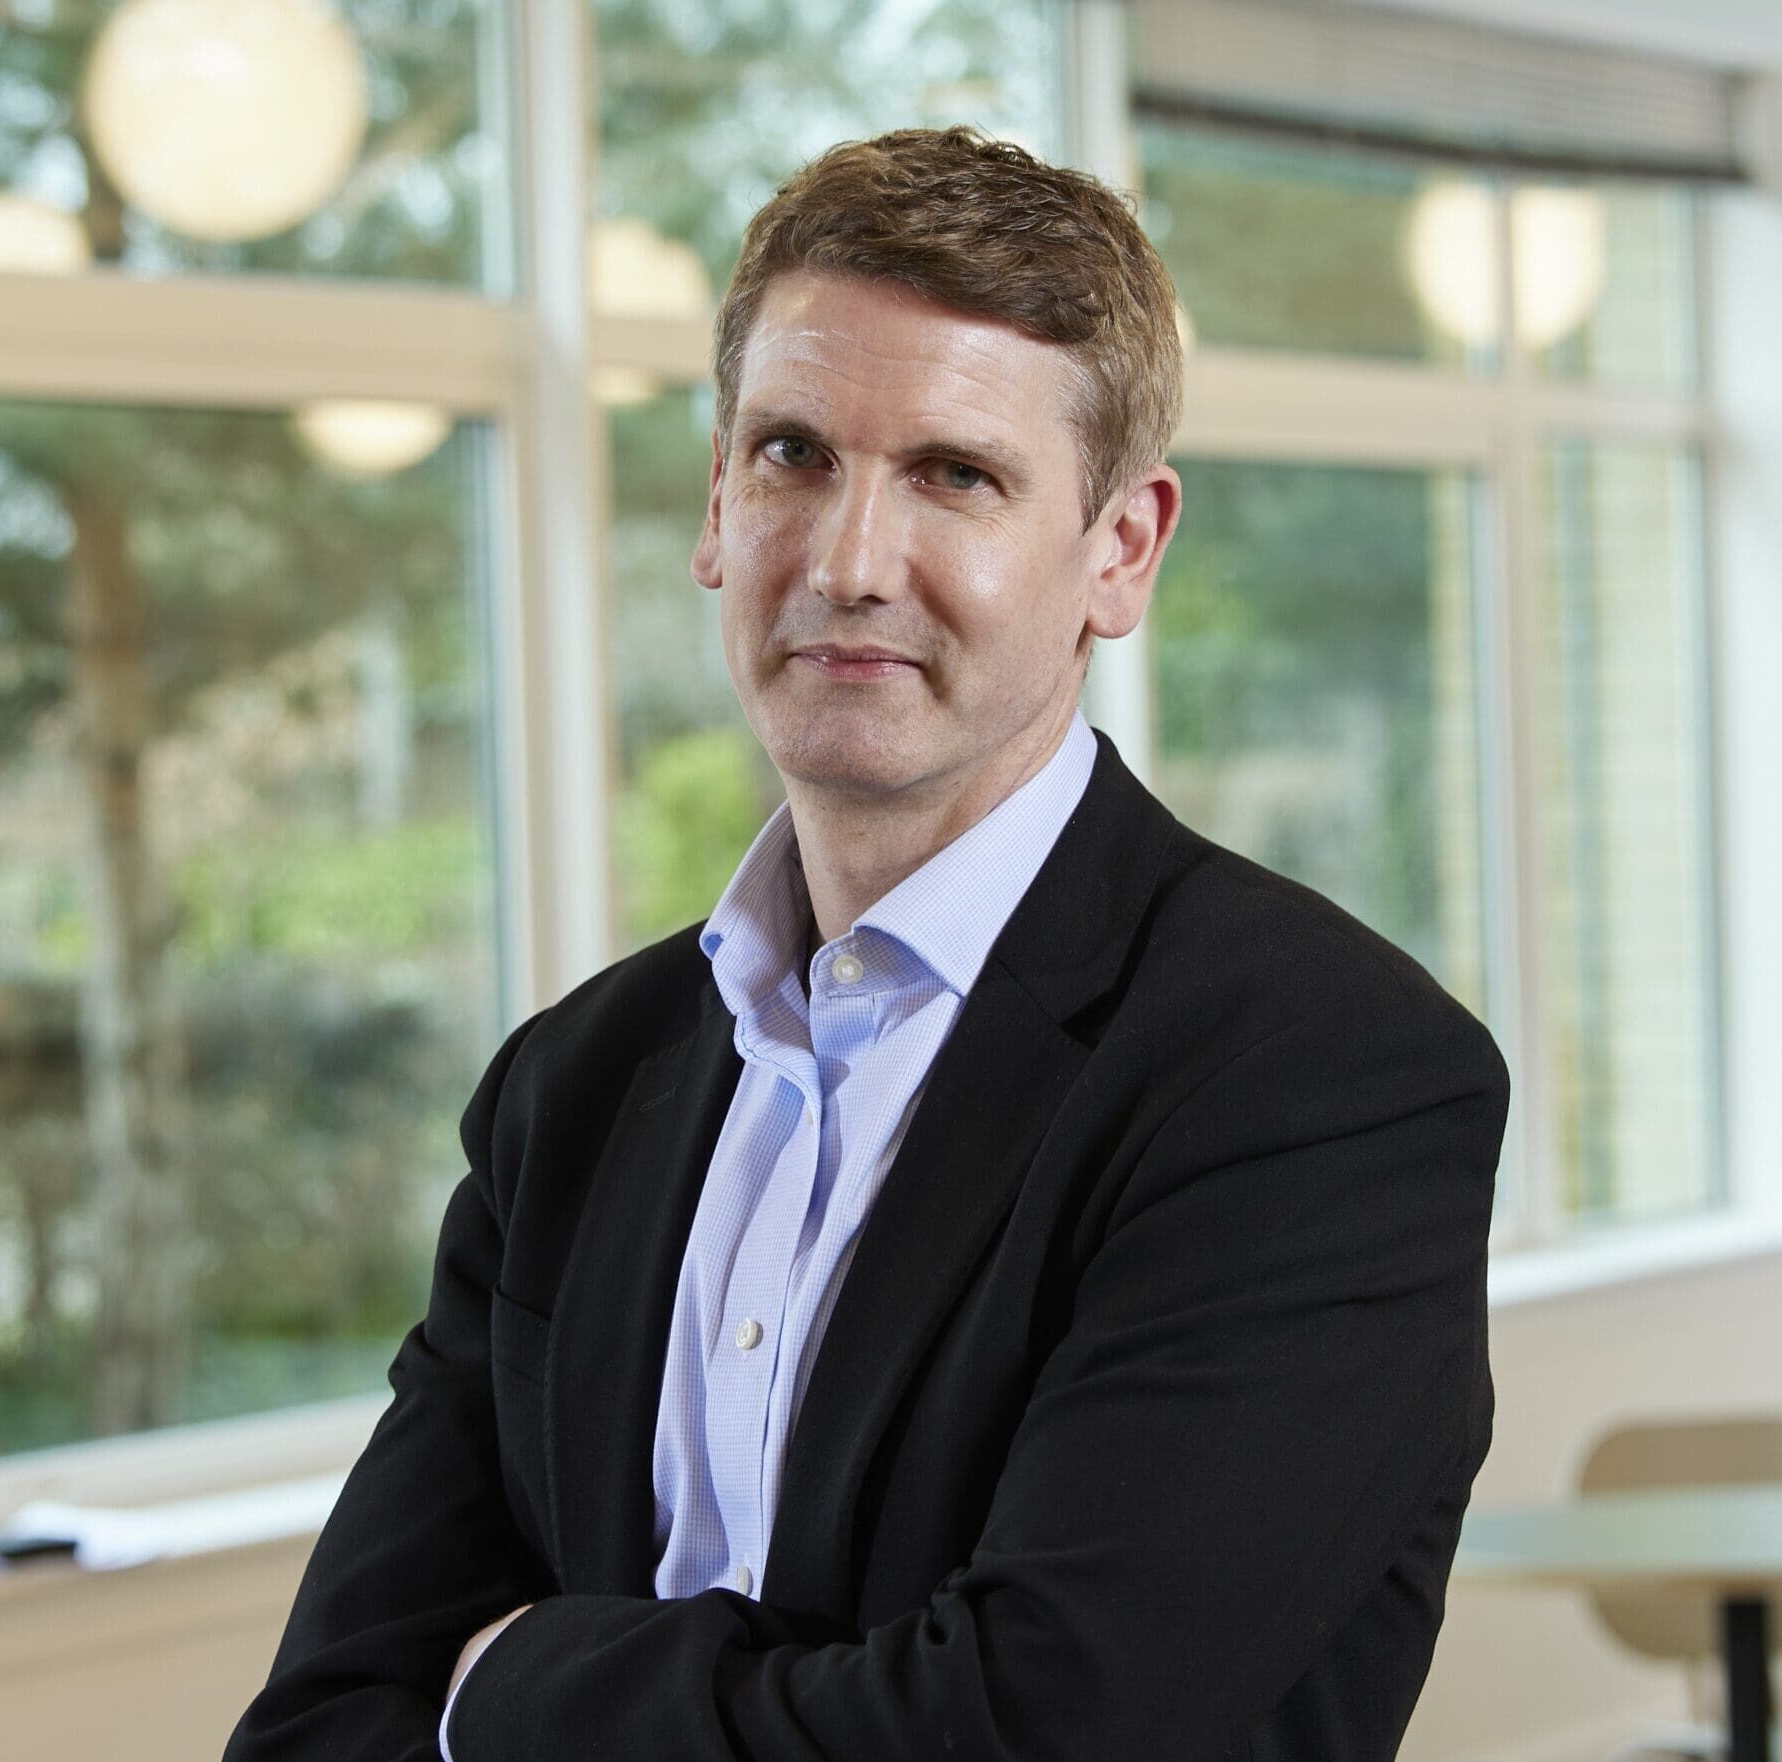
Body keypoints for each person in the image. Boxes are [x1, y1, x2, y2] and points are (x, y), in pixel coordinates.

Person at [223, 125, 1507, 1762]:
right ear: (712, 503)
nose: (845, 560)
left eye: (955, 476)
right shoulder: (574, 1085)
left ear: (1121, 551)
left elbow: (1040, 1729)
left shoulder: (1318, 1080)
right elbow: (319, 1724)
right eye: (792, 455)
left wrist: (520, 1685)